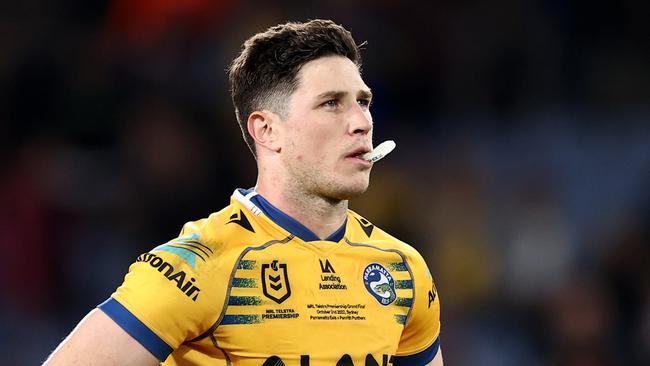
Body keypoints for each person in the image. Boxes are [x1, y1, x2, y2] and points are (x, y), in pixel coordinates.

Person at [43, 19, 443, 366]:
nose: (361, 122)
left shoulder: (401, 270)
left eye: (363, 102)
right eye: (331, 104)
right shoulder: (201, 266)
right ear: (266, 130)